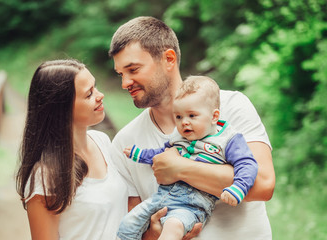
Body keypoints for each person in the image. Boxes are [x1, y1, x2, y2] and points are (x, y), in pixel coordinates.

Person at [109, 16, 275, 240]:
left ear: (168, 59)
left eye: (133, 69)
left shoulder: (231, 106)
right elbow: (135, 229)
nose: (125, 83)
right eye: (121, 74)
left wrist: (179, 168)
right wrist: (154, 234)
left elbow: (263, 185)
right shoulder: (124, 141)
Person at [117, 76, 258, 240]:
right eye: (178, 117)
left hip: (192, 205)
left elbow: (247, 164)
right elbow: (161, 153)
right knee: (130, 221)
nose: (184, 122)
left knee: (173, 226)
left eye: (192, 116)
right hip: (162, 197)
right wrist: (139, 154)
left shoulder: (228, 140)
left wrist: (238, 188)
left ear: (214, 116)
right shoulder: (178, 137)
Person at [15, 59, 128, 239]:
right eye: (89, 94)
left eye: (95, 87)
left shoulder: (102, 141)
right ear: (62, 107)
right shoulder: (44, 175)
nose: (100, 95)